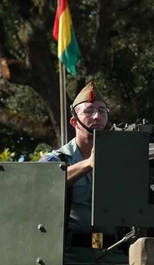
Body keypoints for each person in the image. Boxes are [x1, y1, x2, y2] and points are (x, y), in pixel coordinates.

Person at [38, 82, 111, 236]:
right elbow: (41, 185)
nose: (97, 116)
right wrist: (88, 164)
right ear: (74, 122)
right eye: (89, 111)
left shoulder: (119, 158)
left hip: (113, 252)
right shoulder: (55, 160)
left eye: (102, 111)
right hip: (71, 253)